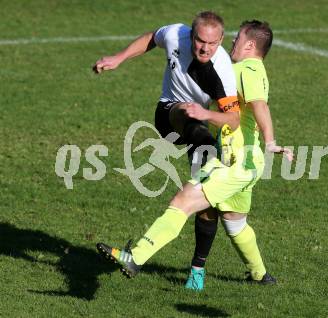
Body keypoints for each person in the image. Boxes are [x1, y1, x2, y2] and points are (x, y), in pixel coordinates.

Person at [96, 20, 294, 289]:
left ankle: (137, 256)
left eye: (236, 39)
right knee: (235, 224)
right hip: (249, 162)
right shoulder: (256, 70)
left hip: (232, 162)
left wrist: (271, 141)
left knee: (183, 201)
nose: (231, 43)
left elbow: (259, 105)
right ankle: (260, 274)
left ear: (249, 45)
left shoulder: (246, 70)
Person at [93, 11, 239, 168]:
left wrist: (206, 114)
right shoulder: (175, 35)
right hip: (168, 113)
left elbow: (234, 120)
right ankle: (213, 153)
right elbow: (153, 37)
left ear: (221, 39)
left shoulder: (223, 71)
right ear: (191, 35)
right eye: (200, 41)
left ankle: (205, 173)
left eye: (212, 43)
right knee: (186, 110)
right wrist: (119, 57)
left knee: (202, 174)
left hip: (199, 125)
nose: (205, 49)